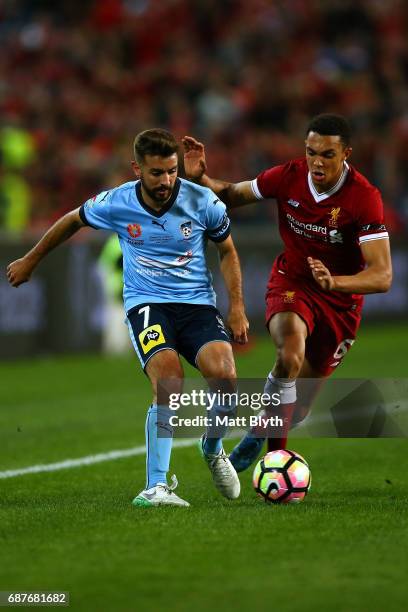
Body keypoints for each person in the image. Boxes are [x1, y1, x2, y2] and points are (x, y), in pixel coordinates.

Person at [7, 128, 249, 507]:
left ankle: (212, 446)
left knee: (226, 381)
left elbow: (228, 251)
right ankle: (156, 487)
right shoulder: (116, 202)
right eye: (156, 173)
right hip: (147, 304)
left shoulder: (202, 201)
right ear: (137, 168)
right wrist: (31, 259)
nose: (166, 180)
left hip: (197, 306)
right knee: (169, 381)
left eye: (171, 171)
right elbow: (72, 219)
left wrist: (236, 306)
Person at [182, 113, 392, 471]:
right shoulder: (289, 176)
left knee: (297, 410)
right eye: (311, 152)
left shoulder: (363, 198)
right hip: (292, 281)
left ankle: (262, 430)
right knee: (290, 354)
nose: (317, 162)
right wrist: (200, 177)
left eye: (327, 154)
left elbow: (382, 275)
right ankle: (275, 460)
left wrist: (335, 282)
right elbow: (231, 195)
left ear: (346, 154)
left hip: (340, 301)